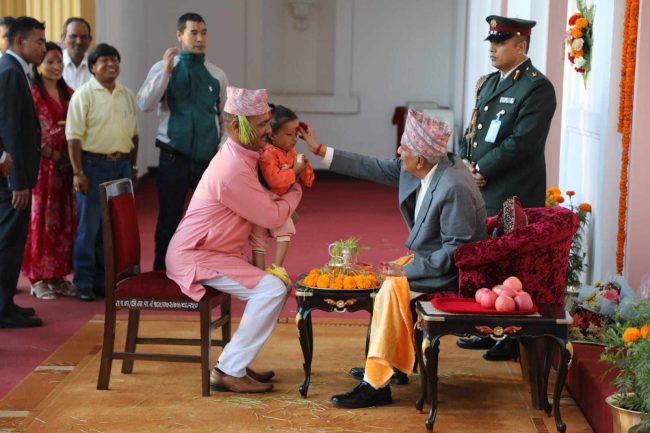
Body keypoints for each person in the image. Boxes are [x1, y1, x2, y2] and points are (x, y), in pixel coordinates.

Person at [303, 109, 487, 408]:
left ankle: (376, 385)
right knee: (383, 283)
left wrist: (408, 272)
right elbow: (373, 167)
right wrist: (321, 150)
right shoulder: (426, 165)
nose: (398, 153)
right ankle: (390, 365)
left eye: (403, 149)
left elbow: (459, 251)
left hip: (452, 273)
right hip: (432, 260)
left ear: (420, 160)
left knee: (389, 289)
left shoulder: (453, 186)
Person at [166, 86, 302, 393]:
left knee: (277, 286)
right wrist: (295, 189)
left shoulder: (244, 156)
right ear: (235, 127)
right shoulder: (232, 167)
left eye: (268, 122)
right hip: (197, 256)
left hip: (215, 254)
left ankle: (236, 361)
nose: (269, 131)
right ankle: (228, 369)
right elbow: (270, 216)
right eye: (261, 125)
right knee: (272, 289)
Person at [456, 15, 557, 361]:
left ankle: (510, 337)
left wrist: (482, 168)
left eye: (500, 43)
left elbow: (523, 142)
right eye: (492, 42)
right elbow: (472, 129)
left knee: (513, 265)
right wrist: (466, 165)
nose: (493, 49)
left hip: (514, 189)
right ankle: (487, 327)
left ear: (521, 45)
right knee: (488, 260)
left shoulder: (536, 88)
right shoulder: (488, 83)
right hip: (482, 187)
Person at [137, 12, 228, 271]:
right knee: (169, 219)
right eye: (193, 33)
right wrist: (166, 72)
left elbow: (225, 118)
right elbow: (144, 103)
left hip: (208, 160)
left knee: (209, 220)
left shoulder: (217, 75)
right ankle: (161, 274)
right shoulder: (164, 67)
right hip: (173, 156)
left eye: (204, 32)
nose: (200, 38)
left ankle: (204, 272)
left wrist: (221, 153)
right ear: (180, 35)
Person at [66, 43, 139, 302]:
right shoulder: (83, 95)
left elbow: (134, 135)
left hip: (121, 166)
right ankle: (83, 282)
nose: (111, 65)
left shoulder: (126, 94)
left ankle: (102, 280)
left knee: (114, 226)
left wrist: (133, 167)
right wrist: (78, 172)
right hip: (93, 166)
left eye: (115, 60)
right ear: (93, 67)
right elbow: (73, 138)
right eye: (104, 61)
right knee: (90, 227)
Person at [0, 16, 46, 328]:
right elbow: (8, 128)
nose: (43, 47)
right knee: (7, 242)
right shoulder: (9, 72)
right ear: (20, 42)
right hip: (11, 179)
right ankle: (1, 309)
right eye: (38, 41)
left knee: (13, 242)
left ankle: (6, 302)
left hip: (16, 176)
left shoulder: (15, 70)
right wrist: (17, 181)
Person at [22, 42, 76, 300]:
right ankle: (38, 277)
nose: (56, 67)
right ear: (39, 65)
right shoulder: (32, 94)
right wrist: (54, 155)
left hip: (67, 167)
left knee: (65, 221)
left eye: (59, 62)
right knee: (41, 221)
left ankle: (58, 275)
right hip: (42, 168)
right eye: (50, 62)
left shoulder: (69, 93)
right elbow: (30, 132)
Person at [252, 104, 314, 274]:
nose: (294, 139)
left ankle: (277, 267)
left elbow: (308, 181)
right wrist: (294, 171)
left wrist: (305, 168)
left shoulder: (292, 153)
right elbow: (274, 181)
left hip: (279, 204)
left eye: (295, 134)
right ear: (272, 135)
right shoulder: (267, 154)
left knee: (285, 228)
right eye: (288, 134)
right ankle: (259, 271)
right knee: (258, 236)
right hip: (262, 202)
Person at [61, 17, 92, 89]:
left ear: (90, 40)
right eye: (73, 36)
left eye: (83, 37)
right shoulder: (53, 65)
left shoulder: (96, 66)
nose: (78, 42)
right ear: (63, 38)